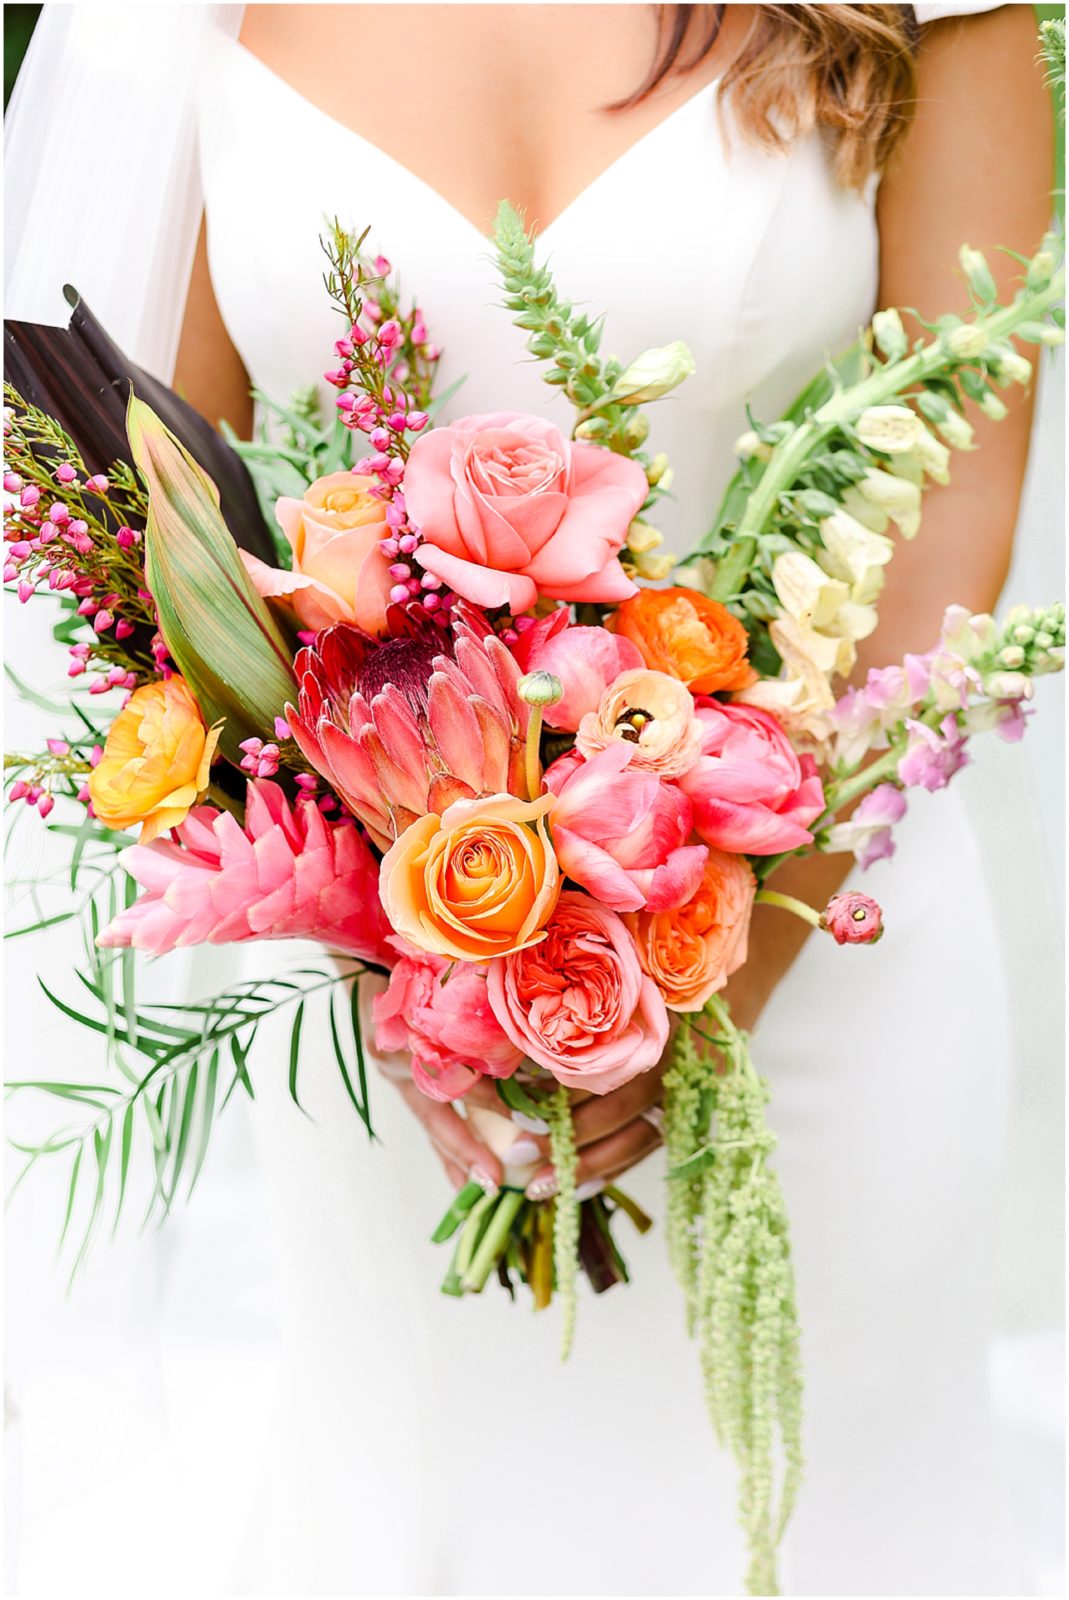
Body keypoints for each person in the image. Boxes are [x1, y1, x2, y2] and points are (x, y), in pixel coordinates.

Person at [4, 3, 1059, 1595]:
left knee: (836, 1520)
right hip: (400, 998)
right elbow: (159, 509)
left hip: (827, 931)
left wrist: (711, 953)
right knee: (439, 1519)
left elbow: (958, 483)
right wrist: (406, 942)